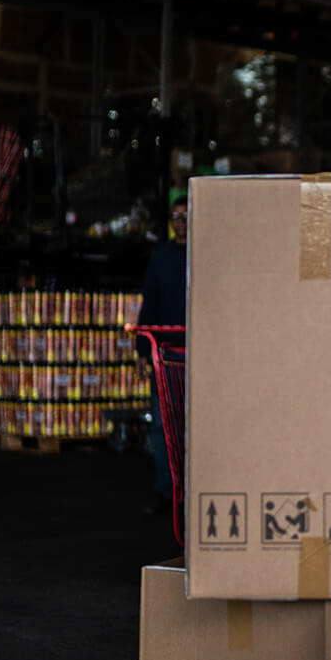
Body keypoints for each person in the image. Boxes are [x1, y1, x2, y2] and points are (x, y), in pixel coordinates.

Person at [138, 192, 188, 515]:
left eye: (186, 217)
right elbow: (150, 306)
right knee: (162, 423)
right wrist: (143, 351)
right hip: (166, 353)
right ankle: (165, 492)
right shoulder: (160, 258)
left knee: (195, 425)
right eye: (176, 218)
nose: (180, 224)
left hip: (200, 352)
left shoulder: (207, 253)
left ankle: (193, 493)